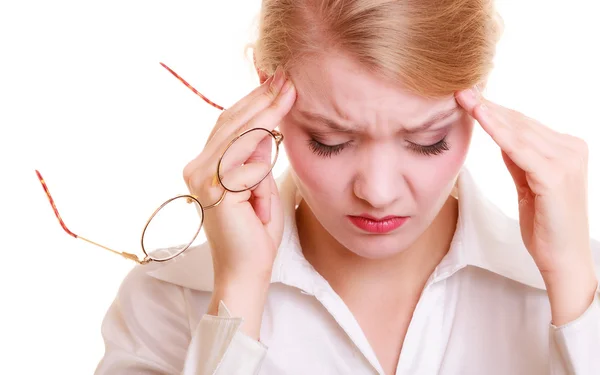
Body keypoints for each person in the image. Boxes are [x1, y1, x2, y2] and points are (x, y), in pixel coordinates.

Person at [94, 1, 600, 374]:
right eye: (330, 141)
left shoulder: (576, 293)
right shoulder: (168, 301)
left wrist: (576, 286)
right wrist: (239, 293)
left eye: (426, 140)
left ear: (478, 95)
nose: (377, 192)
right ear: (266, 91)